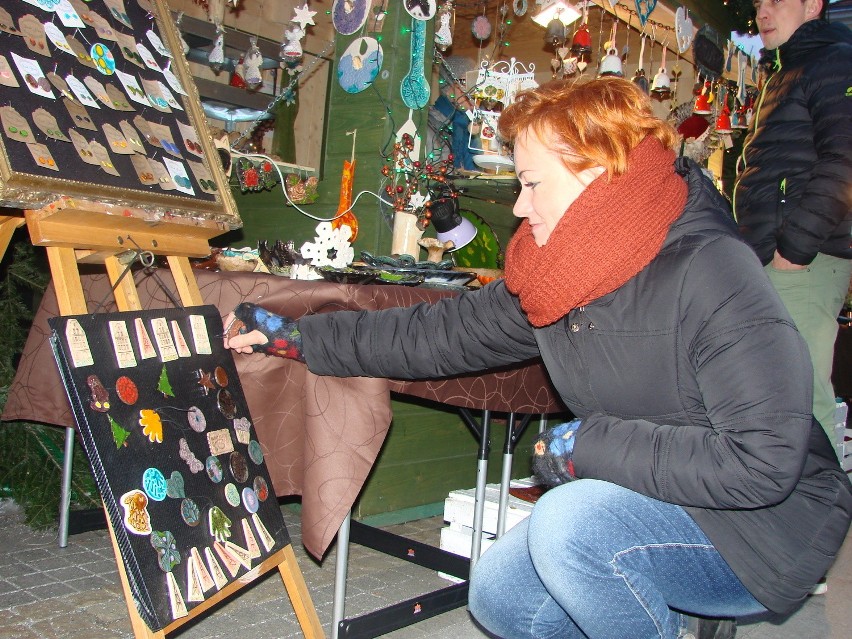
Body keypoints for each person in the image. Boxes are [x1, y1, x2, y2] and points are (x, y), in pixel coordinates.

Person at [224, 78, 852, 639]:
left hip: (760, 528)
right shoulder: (559, 276)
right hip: (646, 496)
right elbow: (436, 332)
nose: (520, 207)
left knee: (570, 525)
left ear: (596, 172)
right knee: (499, 594)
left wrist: (592, 448)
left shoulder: (710, 269)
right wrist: (299, 337)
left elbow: (765, 461)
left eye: (529, 184)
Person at [733, 0, 852, 456]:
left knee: (801, 395)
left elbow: (844, 162)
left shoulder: (832, 60)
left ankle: (822, 518)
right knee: (775, 391)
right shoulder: (789, 70)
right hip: (776, 256)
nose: (763, 11)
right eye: (759, 2)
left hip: (804, 260)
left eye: (777, 1)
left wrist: (793, 252)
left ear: (813, 6)